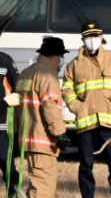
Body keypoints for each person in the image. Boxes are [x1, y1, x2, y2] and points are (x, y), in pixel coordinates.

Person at [62, 21, 111, 198]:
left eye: (95, 36)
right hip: (86, 123)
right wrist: (77, 107)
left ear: (101, 37)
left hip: (110, 122)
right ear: (82, 39)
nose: (92, 40)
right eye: (88, 36)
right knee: (86, 166)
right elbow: (67, 90)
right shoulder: (74, 65)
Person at [15, 37, 71, 198]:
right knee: (43, 189)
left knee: (37, 184)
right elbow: (50, 106)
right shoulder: (47, 75)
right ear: (55, 56)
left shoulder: (26, 73)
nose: (61, 61)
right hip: (43, 141)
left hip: (28, 140)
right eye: (60, 57)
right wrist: (60, 133)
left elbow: (18, 106)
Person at [0, 52, 19, 197]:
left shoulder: (4, 59)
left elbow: (18, 85)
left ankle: (12, 194)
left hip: (1, 129)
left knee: (9, 171)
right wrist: (5, 102)